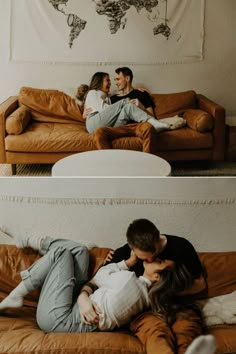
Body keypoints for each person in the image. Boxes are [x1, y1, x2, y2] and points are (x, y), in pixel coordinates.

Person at [0, 234, 193, 334]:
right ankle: (32, 241)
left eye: (158, 262)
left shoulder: (128, 282)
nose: (154, 258)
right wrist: (84, 297)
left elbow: (99, 276)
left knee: (62, 253)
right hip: (74, 307)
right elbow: (99, 281)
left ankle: (16, 294)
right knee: (80, 250)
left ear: (158, 277)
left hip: (58, 319)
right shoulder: (145, 296)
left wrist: (129, 262)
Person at [78, 218, 206, 354]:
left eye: (156, 255)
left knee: (185, 332)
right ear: (132, 248)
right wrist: (82, 298)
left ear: (158, 238)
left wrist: (161, 290)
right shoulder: (123, 254)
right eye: (144, 258)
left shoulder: (181, 246)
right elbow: (95, 281)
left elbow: (201, 284)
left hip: (181, 308)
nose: (151, 260)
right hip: (145, 313)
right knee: (156, 333)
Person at [82, 71, 170, 133]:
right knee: (125, 101)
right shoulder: (93, 93)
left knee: (128, 107)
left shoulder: (107, 96)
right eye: (107, 80)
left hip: (106, 125)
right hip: (94, 124)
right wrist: (123, 104)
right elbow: (103, 110)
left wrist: (135, 89)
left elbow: (119, 91)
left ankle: (154, 124)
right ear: (99, 82)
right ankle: (154, 123)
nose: (111, 83)